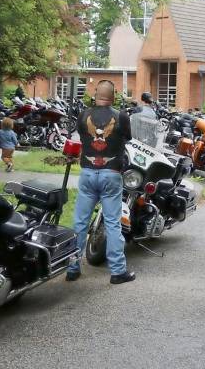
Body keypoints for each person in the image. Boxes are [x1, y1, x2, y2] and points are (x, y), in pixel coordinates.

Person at [67, 80, 135, 285]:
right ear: (113, 97)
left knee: (80, 222)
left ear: (95, 96)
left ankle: (72, 267)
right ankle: (117, 272)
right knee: (113, 224)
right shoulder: (121, 116)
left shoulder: (83, 115)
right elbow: (128, 138)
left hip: (88, 173)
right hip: (111, 174)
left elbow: (81, 136)